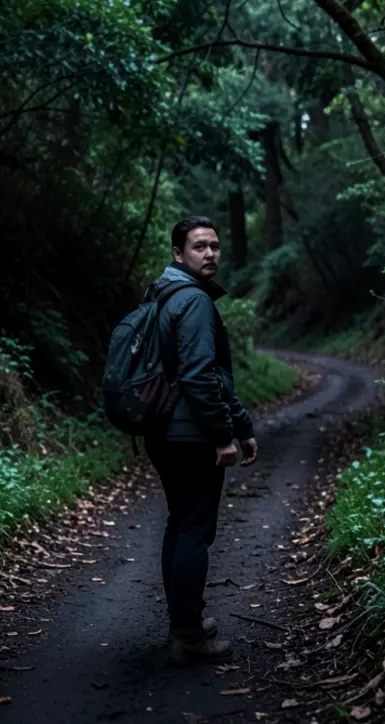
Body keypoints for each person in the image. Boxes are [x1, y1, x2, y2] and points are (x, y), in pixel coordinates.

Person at [145, 215, 259, 665]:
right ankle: (188, 635)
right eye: (199, 247)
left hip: (163, 430)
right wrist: (225, 435)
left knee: (180, 523)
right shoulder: (192, 301)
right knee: (194, 527)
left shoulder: (162, 294)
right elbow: (201, 376)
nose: (210, 253)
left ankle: (183, 621)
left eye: (214, 245)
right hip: (190, 434)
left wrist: (242, 423)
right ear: (178, 253)